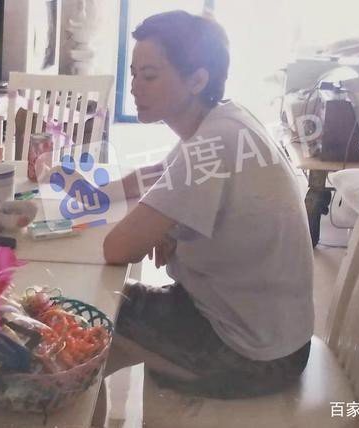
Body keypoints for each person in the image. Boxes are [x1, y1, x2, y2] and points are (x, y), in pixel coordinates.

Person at [98, 10, 314, 414]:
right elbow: (156, 177)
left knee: (93, 312)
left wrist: (156, 223)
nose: (135, 87)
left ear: (197, 80)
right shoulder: (225, 122)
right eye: (134, 74)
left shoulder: (209, 146)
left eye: (150, 76)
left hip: (251, 355)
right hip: (271, 333)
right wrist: (95, 196)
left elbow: (117, 248)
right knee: (103, 314)